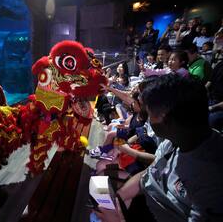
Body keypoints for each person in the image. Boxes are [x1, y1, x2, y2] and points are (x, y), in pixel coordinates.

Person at [95, 74, 223, 222]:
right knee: (99, 183)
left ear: (165, 119)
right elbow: (150, 173)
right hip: (147, 200)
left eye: (150, 114)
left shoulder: (213, 179)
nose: (148, 120)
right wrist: (120, 197)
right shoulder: (176, 140)